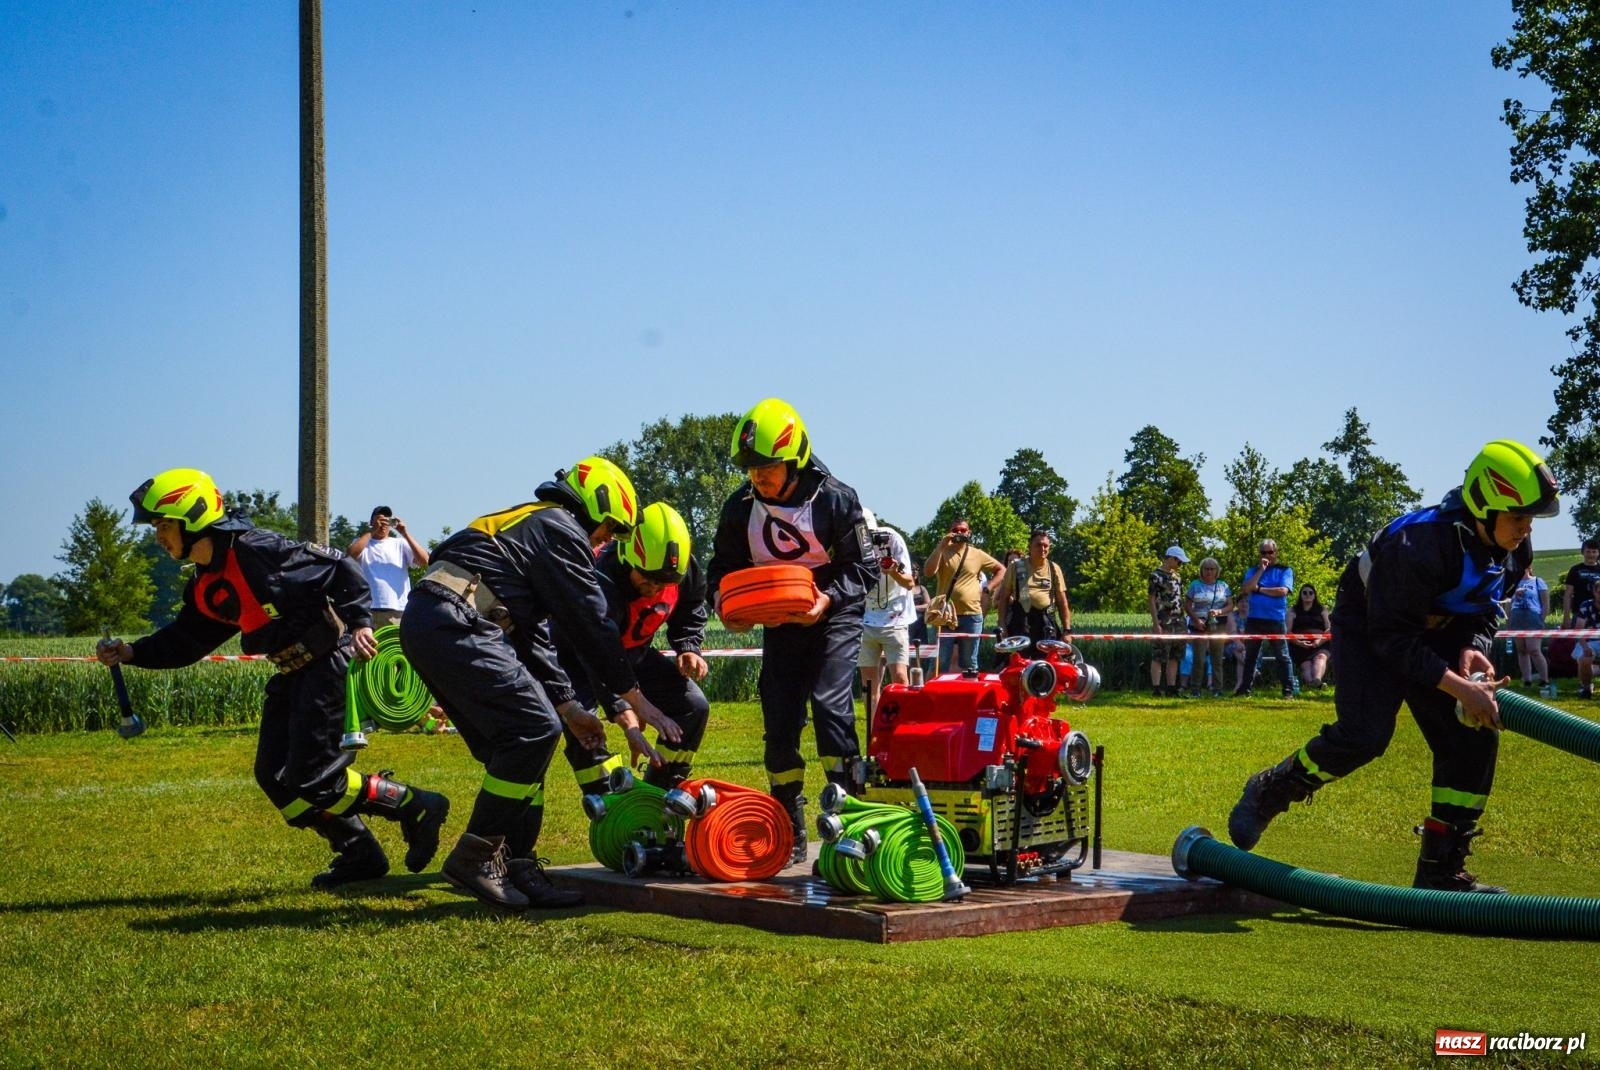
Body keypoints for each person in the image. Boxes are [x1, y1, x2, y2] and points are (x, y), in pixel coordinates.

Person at [1228, 439, 1558, 893]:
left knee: (1473, 734)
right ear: (1484, 506)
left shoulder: (1515, 552)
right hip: (1370, 625)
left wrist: (1470, 648)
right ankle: (1272, 789)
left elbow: (1483, 612)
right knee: (1365, 734)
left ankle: (1441, 872)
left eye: (1531, 519)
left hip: (1431, 630)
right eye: (1518, 517)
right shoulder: (1417, 546)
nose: (1526, 530)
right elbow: (1392, 640)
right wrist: (1457, 687)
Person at [97, 468, 450, 890]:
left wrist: (359, 623)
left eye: (162, 524)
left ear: (191, 516)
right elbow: (187, 639)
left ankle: (415, 805)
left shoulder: (260, 550)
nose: (157, 535)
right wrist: (132, 652)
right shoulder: (205, 582)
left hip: (328, 664)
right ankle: (359, 853)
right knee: (275, 775)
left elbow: (340, 568)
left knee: (314, 777)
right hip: (291, 673)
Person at [399, 457, 678, 911]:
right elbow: (591, 620)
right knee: (533, 730)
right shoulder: (560, 529)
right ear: (595, 506)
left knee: (522, 746)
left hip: (439, 621)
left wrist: (569, 707)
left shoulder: (530, 525)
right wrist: (634, 696)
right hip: (459, 623)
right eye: (606, 532)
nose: (603, 544)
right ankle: (476, 857)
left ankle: (518, 864)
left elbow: (532, 635)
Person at [709, 398, 874, 864]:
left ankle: (850, 817)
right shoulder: (740, 508)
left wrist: (826, 600)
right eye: (750, 469)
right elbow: (719, 569)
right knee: (779, 716)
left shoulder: (838, 499)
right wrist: (722, 603)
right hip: (780, 620)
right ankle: (789, 823)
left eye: (767, 468)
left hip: (833, 614)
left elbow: (863, 570)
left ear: (795, 460)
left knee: (828, 703)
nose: (757, 477)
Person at [550, 502, 712, 806]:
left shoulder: (681, 569)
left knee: (693, 706)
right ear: (628, 558)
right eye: (647, 580)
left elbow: (691, 606)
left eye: (664, 583)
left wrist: (688, 646)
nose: (654, 590)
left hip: (632, 656)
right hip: (577, 661)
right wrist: (626, 716)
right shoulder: (600, 581)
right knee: (585, 730)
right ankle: (612, 809)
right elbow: (597, 654)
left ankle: (660, 796)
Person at [856, 508, 916, 719]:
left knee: (900, 677)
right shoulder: (850, 544)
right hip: (865, 618)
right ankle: (875, 736)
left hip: (895, 617)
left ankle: (901, 728)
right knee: (869, 684)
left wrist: (893, 570)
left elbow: (909, 583)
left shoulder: (893, 539)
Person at [923, 519, 1005, 673]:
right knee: (940, 663)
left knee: (970, 664)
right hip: (944, 615)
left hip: (972, 615)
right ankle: (934, 696)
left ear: (969, 533)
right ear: (950, 531)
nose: (959, 533)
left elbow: (1001, 569)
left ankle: (969, 696)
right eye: (955, 530)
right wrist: (941, 545)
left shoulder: (977, 554)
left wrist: (988, 588)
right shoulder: (942, 551)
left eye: (963, 530)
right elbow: (928, 572)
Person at [347, 507, 430, 626]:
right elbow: (349, 556)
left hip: (398, 608)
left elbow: (424, 561)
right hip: (368, 608)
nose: (384, 524)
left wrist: (405, 533)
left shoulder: (400, 544)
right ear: (372, 522)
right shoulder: (362, 543)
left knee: (396, 644)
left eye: (387, 521)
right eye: (380, 520)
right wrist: (372, 531)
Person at [1235, 539, 1296, 698]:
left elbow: (1282, 591)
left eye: (1270, 552)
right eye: (1263, 552)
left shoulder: (1285, 570)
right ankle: (1244, 690)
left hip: (1275, 619)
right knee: (1251, 656)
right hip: (1254, 619)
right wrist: (1261, 571)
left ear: (1276, 553)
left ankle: (1288, 691)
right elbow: (1247, 589)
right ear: (1259, 554)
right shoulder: (1253, 571)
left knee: (1282, 656)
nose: (1267, 555)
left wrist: (1260, 589)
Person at [994, 528, 1072, 648]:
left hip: (1047, 623)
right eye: (1038, 545)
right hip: (1021, 623)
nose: (1043, 549)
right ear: (1030, 547)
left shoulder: (1054, 568)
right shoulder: (1016, 566)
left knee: (1050, 664)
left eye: (1046, 545)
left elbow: (1062, 602)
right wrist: (1002, 625)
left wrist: (1067, 630)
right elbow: (1004, 598)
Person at [1184, 557, 1232, 698]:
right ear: (1201, 570)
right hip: (1198, 625)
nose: (1209, 571)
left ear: (1217, 571)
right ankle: (1195, 690)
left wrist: (1219, 612)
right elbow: (1187, 605)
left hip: (1218, 625)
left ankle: (1217, 689)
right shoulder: (1194, 585)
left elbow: (1230, 605)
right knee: (1198, 658)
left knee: (1217, 658)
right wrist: (1195, 619)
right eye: (1206, 568)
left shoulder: (1224, 585)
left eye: (1212, 569)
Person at [1560, 538, 1600, 698]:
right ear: (1583, 552)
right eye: (1588, 551)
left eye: (1594, 551)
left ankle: (1588, 677)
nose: (1591, 554)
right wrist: (1566, 617)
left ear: (1598, 553)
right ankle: (1584, 684)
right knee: (1584, 651)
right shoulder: (1575, 570)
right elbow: (1568, 594)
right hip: (1581, 613)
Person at [1148, 545, 1188, 698]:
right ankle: (1156, 688)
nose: (1180, 565)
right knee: (1159, 655)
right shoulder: (1155, 576)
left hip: (1179, 621)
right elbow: (1151, 599)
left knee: (1175, 656)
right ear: (1171, 558)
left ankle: (1171, 688)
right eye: (1179, 562)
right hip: (1163, 621)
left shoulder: (1177, 577)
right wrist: (1155, 622)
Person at [1506, 564, 1551, 695]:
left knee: (1534, 650)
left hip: (1533, 618)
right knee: (1521, 651)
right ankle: (1527, 680)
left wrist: (1541, 618)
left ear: (1529, 568)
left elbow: (1545, 603)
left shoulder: (1538, 581)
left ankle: (1544, 679)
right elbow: (1508, 602)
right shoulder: (1512, 584)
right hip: (1516, 618)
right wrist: (1508, 620)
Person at [1288, 583, 1332, 689]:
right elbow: (1287, 632)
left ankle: (1316, 681)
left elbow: (1330, 629)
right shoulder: (1292, 610)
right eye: (1305, 592)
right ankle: (1313, 684)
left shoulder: (1322, 610)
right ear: (1300, 595)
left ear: (1314, 595)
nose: (1308, 595)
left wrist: (1319, 641)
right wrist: (1300, 642)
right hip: (1299, 645)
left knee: (1320, 658)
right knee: (1306, 665)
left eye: (1310, 593)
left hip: (1321, 643)